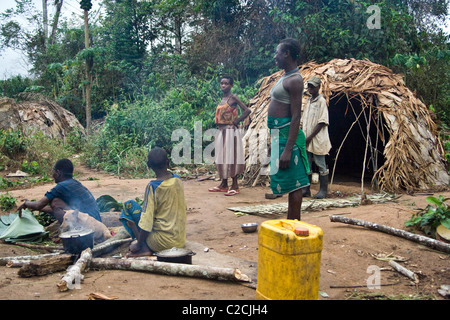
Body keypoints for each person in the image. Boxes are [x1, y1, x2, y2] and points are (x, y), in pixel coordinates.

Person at [267, 38, 310, 220]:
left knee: (295, 183)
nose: (275, 56)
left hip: (287, 137)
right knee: (291, 182)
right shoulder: (284, 76)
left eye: (277, 52)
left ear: (287, 53)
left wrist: (287, 149)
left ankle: (294, 222)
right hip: (279, 135)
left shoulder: (295, 80)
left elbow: (295, 117)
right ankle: (291, 221)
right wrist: (274, 142)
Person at [120, 147, 186, 256]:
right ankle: (143, 245)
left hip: (161, 243)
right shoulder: (177, 179)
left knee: (129, 206)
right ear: (168, 162)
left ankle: (143, 247)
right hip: (180, 240)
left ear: (148, 165)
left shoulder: (152, 187)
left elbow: (146, 222)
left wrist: (138, 244)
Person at [17, 158, 101, 223]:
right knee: (56, 203)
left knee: (54, 201)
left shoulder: (61, 187)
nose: (52, 174)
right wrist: (38, 208)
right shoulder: (74, 183)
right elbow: (56, 209)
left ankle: (72, 230)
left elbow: (39, 204)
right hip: (95, 221)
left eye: (53, 171)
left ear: (58, 172)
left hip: (87, 224)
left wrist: (26, 203)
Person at [208, 75, 250, 196]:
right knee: (221, 157)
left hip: (230, 131)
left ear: (231, 85)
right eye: (222, 83)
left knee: (232, 157)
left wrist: (237, 121)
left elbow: (247, 110)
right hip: (221, 131)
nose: (223, 85)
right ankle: (224, 184)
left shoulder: (233, 98)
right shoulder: (222, 99)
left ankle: (235, 185)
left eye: (226, 83)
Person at [301, 76, 332, 199]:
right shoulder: (308, 101)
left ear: (319, 87)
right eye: (309, 86)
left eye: (312, 87)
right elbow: (304, 120)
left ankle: (323, 190)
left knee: (320, 163)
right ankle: (306, 189)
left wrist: (310, 137)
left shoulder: (321, 102)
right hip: (307, 138)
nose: (310, 89)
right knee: (307, 163)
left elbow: (322, 121)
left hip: (317, 139)